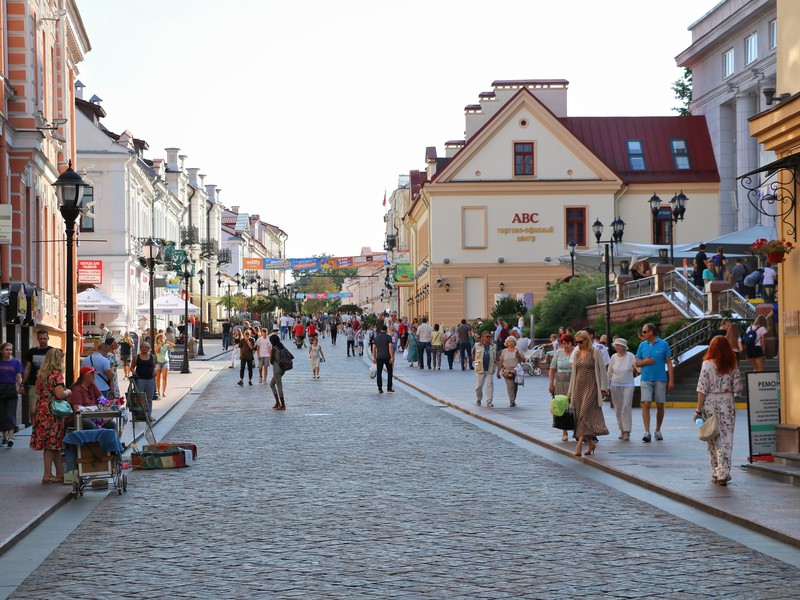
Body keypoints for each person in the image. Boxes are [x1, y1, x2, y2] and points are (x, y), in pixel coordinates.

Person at [696, 336, 742, 486]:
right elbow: (738, 388)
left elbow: (702, 388)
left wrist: (698, 409)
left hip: (710, 402)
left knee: (712, 437)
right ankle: (724, 472)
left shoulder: (706, 364)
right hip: (727, 403)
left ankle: (715, 470)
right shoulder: (733, 364)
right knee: (726, 438)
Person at [567, 331, 609, 456]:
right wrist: (570, 391)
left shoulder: (594, 352)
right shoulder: (576, 353)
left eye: (581, 341)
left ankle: (579, 444)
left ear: (587, 340)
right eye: (577, 342)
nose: (579, 344)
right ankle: (590, 442)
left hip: (591, 387)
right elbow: (573, 374)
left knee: (583, 414)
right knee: (582, 415)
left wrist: (603, 388)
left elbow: (602, 370)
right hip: (578, 388)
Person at [30, 348, 69, 483]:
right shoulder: (56, 375)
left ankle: (60, 473)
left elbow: (36, 390)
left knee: (55, 444)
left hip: (42, 409)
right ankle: (47, 474)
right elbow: (59, 394)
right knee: (51, 444)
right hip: (52, 411)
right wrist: (68, 392)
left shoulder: (41, 374)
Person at [635, 323, 674, 443]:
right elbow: (637, 363)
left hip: (660, 378)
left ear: (651, 332)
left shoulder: (664, 344)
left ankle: (658, 430)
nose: (642, 334)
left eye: (645, 331)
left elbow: (669, 362)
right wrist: (645, 362)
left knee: (660, 405)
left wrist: (671, 379)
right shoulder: (642, 345)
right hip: (646, 379)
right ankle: (647, 432)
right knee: (646, 403)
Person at [69, 366, 117, 431]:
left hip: (93, 416)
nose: (94, 378)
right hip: (81, 418)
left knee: (111, 424)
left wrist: (107, 410)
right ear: (86, 376)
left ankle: (109, 440)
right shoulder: (76, 390)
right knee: (91, 425)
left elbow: (102, 400)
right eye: (92, 375)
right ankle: (97, 440)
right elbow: (77, 409)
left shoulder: (92, 386)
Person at [607, 338, 636, 441]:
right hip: (615, 384)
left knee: (626, 406)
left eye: (618, 345)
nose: (617, 347)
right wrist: (606, 386)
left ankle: (627, 431)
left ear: (624, 347)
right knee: (618, 408)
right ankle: (622, 429)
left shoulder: (631, 356)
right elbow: (609, 372)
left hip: (628, 384)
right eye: (616, 345)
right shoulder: (613, 357)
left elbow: (638, 367)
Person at [22, 330, 53, 425]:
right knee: (33, 409)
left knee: (47, 409)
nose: (43, 341)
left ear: (48, 338)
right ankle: (34, 427)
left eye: (44, 338)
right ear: (37, 339)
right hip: (33, 383)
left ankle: (44, 426)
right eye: (41, 338)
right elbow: (27, 368)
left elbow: (57, 367)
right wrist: (23, 383)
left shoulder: (52, 351)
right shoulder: (32, 352)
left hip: (48, 384)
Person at [548, 334, 575, 442]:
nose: (565, 346)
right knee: (562, 405)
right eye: (563, 343)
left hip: (572, 382)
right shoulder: (558, 353)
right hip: (560, 382)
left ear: (572, 343)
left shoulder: (576, 352)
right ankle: (564, 430)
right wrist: (551, 383)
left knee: (573, 406)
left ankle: (575, 428)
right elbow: (552, 368)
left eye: (567, 343)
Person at [0, 342, 23, 447]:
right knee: (2, 414)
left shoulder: (16, 363)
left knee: (10, 413)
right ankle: (4, 437)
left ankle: (11, 438)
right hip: (0, 387)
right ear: (1, 351)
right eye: (6, 349)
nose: (9, 351)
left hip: (11, 388)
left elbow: (18, 376)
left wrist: (20, 386)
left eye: (10, 349)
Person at [495, 336, 523, 407]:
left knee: (515, 387)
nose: (511, 343)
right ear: (507, 343)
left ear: (515, 343)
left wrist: (519, 356)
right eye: (509, 341)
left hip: (516, 371)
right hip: (507, 371)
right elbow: (501, 361)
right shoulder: (504, 351)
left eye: (512, 341)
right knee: (510, 386)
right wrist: (498, 371)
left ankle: (513, 399)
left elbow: (524, 360)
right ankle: (512, 401)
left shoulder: (518, 350)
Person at [130, 342, 156, 417]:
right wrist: (134, 372)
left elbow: (154, 366)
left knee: (149, 398)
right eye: (142, 347)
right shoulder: (137, 357)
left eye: (146, 347)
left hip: (150, 379)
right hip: (140, 379)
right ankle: (140, 414)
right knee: (139, 397)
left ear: (148, 348)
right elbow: (132, 367)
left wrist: (154, 371)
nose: (144, 348)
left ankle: (148, 414)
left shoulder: (152, 357)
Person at [472, 331, 497, 407]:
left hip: (489, 368)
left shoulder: (494, 346)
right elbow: (473, 357)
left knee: (490, 384)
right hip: (480, 369)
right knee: (479, 385)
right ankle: (478, 398)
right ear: (482, 337)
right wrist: (477, 364)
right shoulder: (477, 346)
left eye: (490, 336)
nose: (489, 338)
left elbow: (497, 357)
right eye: (487, 336)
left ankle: (489, 401)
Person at [371, 324, 395, 394]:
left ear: (380, 330)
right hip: (387, 357)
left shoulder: (376, 338)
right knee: (390, 372)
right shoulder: (388, 337)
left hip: (379, 357)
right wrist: (392, 357)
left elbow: (374, 348)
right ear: (386, 330)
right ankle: (389, 387)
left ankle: (380, 388)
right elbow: (390, 347)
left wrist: (374, 357)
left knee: (379, 373)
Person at [268, 334, 288, 409]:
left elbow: (271, 360)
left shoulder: (274, 349)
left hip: (277, 369)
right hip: (283, 368)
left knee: (279, 386)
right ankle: (277, 402)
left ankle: (283, 405)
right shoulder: (282, 346)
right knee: (271, 384)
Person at [153, 333, 174, 398]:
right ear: (157, 339)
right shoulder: (156, 345)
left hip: (165, 362)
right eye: (160, 338)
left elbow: (173, 346)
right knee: (158, 378)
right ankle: (158, 391)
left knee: (165, 377)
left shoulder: (166, 345)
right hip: (158, 363)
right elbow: (156, 350)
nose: (161, 339)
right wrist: (160, 344)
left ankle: (164, 391)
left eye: (163, 338)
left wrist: (166, 341)